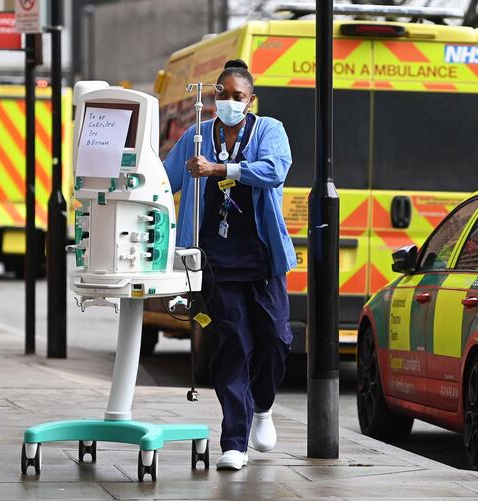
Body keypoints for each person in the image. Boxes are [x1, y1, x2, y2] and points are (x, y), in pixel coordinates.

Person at [164, 59, 296, 470]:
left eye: (238, 97)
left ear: (250, 100)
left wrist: (222, 169)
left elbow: (275, 170)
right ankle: (234, 441)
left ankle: (264, 407)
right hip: (216, 262)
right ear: (214, 95)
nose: (229, 102)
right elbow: (165, 179)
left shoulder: (268, 130)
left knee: (276, 340)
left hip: (261, 259)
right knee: (233, 346)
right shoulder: (197, 136)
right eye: (223, 94)